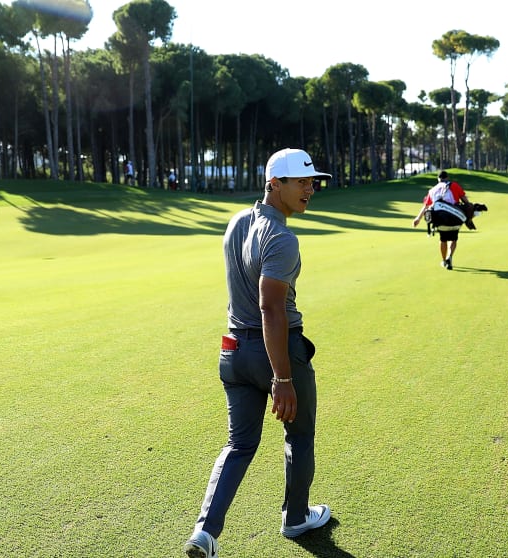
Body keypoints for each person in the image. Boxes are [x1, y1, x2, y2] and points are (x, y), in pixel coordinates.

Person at [184, 148, 332, 558]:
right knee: (299, 434)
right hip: (275, 351)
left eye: (312, 182)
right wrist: (282, 378)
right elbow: (270, 307)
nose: (309, 189)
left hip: (233, 351)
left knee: (239, 444)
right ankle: (297, 517)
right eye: (300, 182)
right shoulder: (282, 238)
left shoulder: (236, 222)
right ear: (274, 183)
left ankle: (205, 532)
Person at [412, 170, 470, 270]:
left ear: (438, 179)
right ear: (447, 178)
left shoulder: (433, 190)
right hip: (455, 218)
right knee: (454, 239)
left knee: (443, 239)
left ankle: (444, 261)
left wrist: (418, 218)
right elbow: (465, 201)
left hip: (441, 220)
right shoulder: (454, 185)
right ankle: (450, 256)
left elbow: (426, 206)